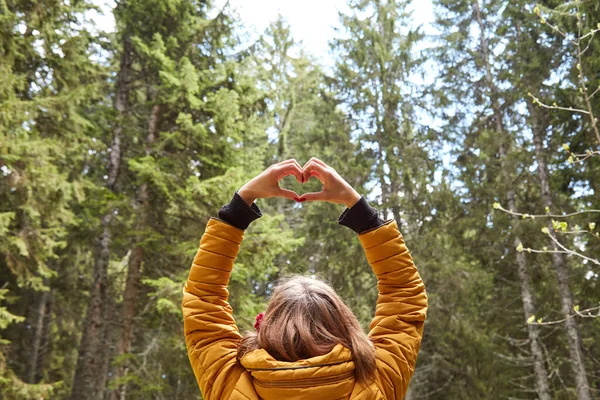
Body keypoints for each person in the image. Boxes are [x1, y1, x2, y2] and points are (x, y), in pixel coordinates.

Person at [182, 158, 428, 400]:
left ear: (267, 326)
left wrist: (240, 205)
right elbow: (404, 295)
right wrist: (359, 209)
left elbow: (203, 300)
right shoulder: (376, 382)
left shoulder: (231, 383)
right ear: (344, 326)